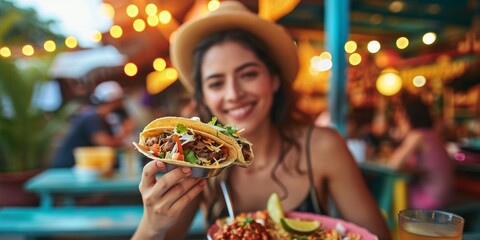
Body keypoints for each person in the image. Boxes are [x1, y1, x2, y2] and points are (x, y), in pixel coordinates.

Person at [132, 2, 391, 239]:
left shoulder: (323, 147)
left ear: (274, 79)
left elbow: (375, 235)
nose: (233, 94)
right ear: (204, 97)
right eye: (216, 83)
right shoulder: (198, 164)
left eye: (248, 74)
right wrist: (153, 224)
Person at [386, 94, 454, 210]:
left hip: (431, 197)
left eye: (401, 117)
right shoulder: (432, 134)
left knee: (389, 194)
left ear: (409, 117)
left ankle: (391, 226)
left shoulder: (417, 136)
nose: (399, 120)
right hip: (445, 195)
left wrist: (403, 134)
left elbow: (393, 165)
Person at [51, 80, 135, 168]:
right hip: (67, 168)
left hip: (80, 167)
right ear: (114, 101)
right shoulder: (91, 117)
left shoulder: (102, 118)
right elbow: (106, 143)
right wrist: (125, 132)